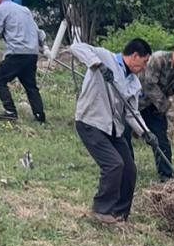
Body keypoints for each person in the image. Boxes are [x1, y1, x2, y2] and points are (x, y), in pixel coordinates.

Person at [66, 38, 153, 224]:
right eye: (144, 61)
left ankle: (120, 214)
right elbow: (76, 47)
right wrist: (97, 65)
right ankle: (101, 210)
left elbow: (132, 113)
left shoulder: (134, 83)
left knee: (129, 170)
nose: (144, 67)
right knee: (114, 164)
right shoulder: (105, 57)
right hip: (91, 121)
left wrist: (146, 132)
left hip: (113, 128)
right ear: (135, 56)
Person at [138, 40, 174, 181]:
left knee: (161, 140)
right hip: (136, 102)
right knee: (123, 135)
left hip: (155, 108)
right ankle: (125, 171)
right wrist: (167, 108)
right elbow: (149, 86)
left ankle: (166, 175)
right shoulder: (158, 59)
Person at [0, 0, 46, 124]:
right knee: (30, 86)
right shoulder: (24, 9)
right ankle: (40, 117)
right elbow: (38, 32)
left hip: (16, 52)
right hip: (31, 53)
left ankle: (10, 111)